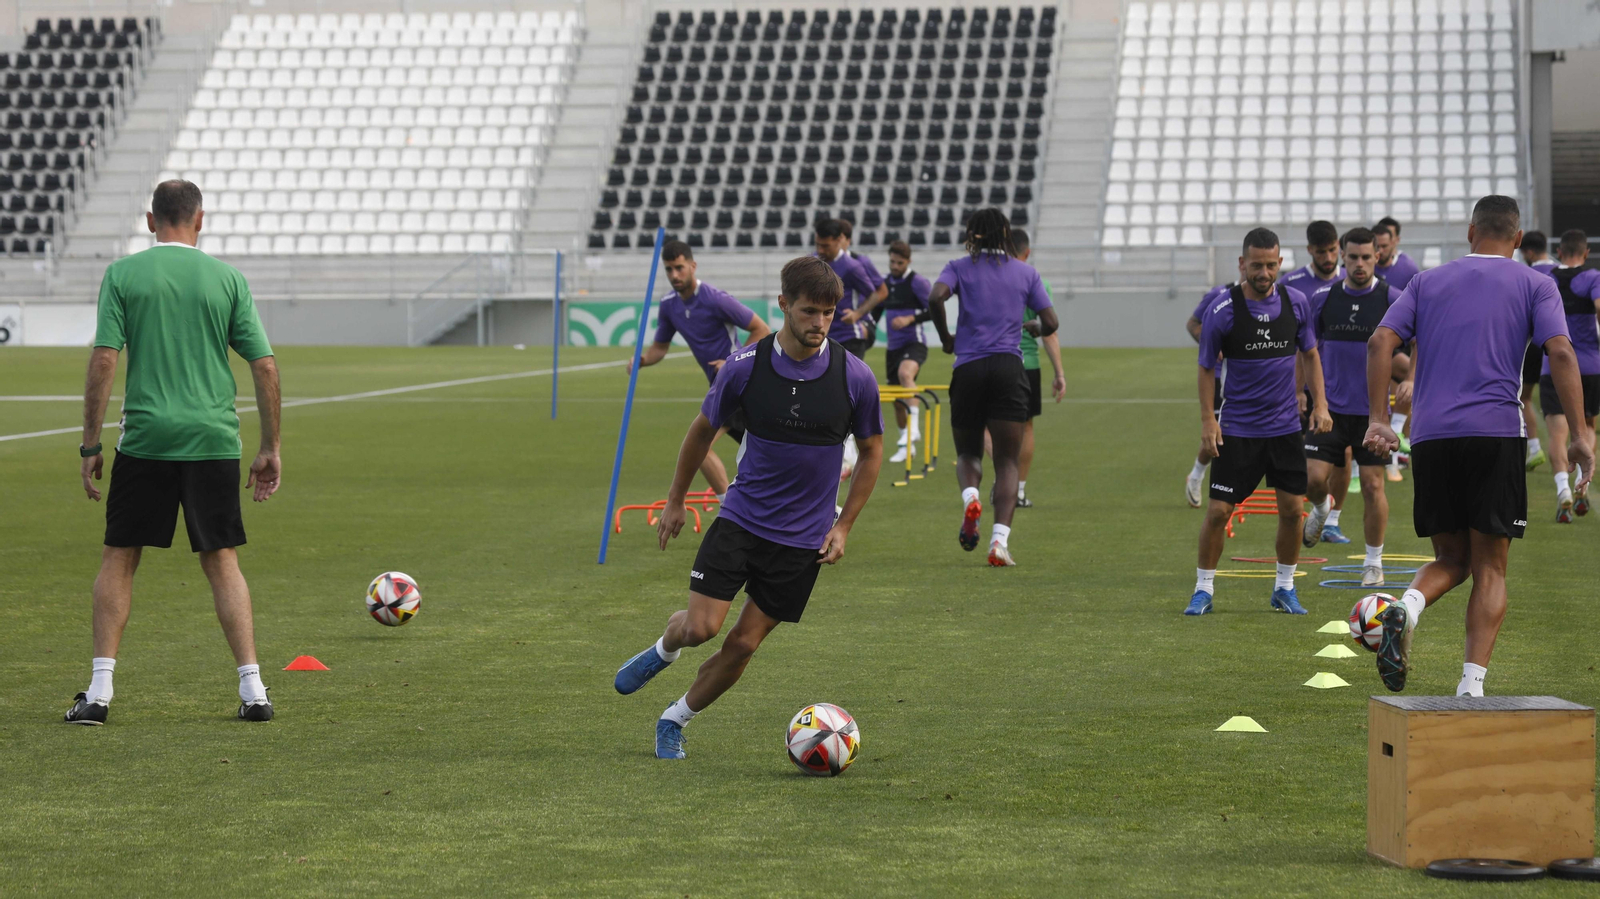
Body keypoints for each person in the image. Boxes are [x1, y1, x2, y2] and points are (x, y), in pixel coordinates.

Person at [612, 256, 883, 760]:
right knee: (702, 628)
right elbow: (700, 433)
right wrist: (674, 500)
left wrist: (844, 527)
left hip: (803, 542)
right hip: (742, 520)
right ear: (783, 305)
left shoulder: (856, 377)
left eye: (828, 312)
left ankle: (674, 719)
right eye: (808, 311)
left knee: (741, 645)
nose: (820, 323)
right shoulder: (745, 368)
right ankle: (663, 650)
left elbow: (871, 454)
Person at [68, 180, 282, 725]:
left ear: (150, 220)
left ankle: (98, 696)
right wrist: (270, 447)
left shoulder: (123, 275)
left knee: (120, 556)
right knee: (222, 559)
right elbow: (263, 365)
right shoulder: (227, 278)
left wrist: (91, 443)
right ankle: (254, 691)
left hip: (147, 440)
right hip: (213, 440)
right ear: (200, 220)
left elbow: (103, 361)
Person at [1363, 195, 1595, 697]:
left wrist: (1381, 421)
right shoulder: (1536, 282)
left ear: (1471, 233)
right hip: (1495, 434)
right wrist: (1579, 434)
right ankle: (1471, 686)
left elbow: (1381, 342)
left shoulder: (1427, 281)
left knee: (1452, 558)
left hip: (1430, 437)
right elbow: (1559, 350)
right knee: (1490, 565)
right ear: (1516, 239)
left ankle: (1404, 607)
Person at [1188, 227, 1331, 617]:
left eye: (1271, 265)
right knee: (1218, 512)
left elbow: (1312, 355)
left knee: (1290, 510)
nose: (1264, 272)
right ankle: (1203, 589)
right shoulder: (1223, 309)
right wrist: (1208, 420)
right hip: (1237, 430)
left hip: (1285, 429)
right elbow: (1205, 369)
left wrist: (1320, 404)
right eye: (1256, 265)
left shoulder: (1297, 303)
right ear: (1242, 264)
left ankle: (1284, 587)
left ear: (1280, 263)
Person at [923, 208, 1058, 566]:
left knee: (968, 453)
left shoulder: (958, 267)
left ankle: (971, 499)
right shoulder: (1026, 272)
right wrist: (1032, 327)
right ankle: (998, 542)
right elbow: (1051, 321)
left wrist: (946, 338)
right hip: (1009, 368)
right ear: (1005, 234)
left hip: (968, 367)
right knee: (1007, 460)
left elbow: (936, 297)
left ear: (972, 234)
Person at [1301, 228, 1407, 587]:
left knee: (1374, 486)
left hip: (1372, 415)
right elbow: (1307, 349)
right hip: (1328, 410)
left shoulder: (1392, 298)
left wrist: (1410, 379)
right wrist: (1307, 394)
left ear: (1377, 256)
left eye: (1366, 257)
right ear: (1341, 258)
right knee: (1314, 481)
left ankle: (1373, 562)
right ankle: (1321, 509)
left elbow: (1421, 337)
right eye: (1352, 257)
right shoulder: (1322, 298)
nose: (1359, 264)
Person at [627, 240, 772, 501]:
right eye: (669, 269)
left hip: (738, 384)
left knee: (700, 446)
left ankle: (728, 508)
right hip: (721, 386)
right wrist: (643, 360)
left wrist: (731, 362)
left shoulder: (716, 299)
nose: (674, 275)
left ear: (693, 266)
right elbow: (660, 347)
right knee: (767, 458)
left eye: (680, 268)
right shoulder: (669, 305)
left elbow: (761, 329)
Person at [814, 218, 887, 478]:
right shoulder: (815, 261)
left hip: (849, 336)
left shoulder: (853, 266)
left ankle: (849, 455)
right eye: (818, 244)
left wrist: (858, 314)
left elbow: (876, 294)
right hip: (822, 336)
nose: (821, 249)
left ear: (839, 241)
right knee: (825, 391)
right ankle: (846, 453)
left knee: (843, 392)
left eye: (825, 245)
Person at [1541, 229, 1600, 522]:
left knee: (1557, 430)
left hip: (1552, 364)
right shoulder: (1592, 278)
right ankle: (1582, 484)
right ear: (1585, 252)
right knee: (1587, 423)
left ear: (1560, 252)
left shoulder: (1546, 279)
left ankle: (1563, 488)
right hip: (1589, 365)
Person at [1011, 229, 1066, 507]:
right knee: (1026, 428)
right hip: (1028, 364)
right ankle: (1017, 490)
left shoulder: (995, 281)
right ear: (1027, 252)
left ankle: (1003, 478)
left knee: (986, 423)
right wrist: (1059, 374)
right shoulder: (1037, 282)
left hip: (995, 360)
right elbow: (1049, 332)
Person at [881, 240, 933, 463]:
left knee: (905, 375)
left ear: (908, 261)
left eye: (899, 263)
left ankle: (914, 428)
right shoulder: (885, 284)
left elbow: (934, 309)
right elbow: (875, 312)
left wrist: (910, 318)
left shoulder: (917, 282)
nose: (895, 266)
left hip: (914, 342)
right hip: (893, 347)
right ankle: (906, 443)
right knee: (896, 399)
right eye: (892, 261)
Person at [1184, 281, 1233, 507]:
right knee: (1217, 435)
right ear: (1242, 263)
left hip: (1247, 381)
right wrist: (1210, 343)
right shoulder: (1220, 295)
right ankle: (1196, 476)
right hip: (1216, 378)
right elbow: (1193, 323)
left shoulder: (1271, 296)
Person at [1519, 230, 1555, 471]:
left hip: (1531, 344)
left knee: (1525, 398)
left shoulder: (1526, 274)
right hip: (1559, 342)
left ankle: (1534, 448)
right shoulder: (1562, 271)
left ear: (1529, 252)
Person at [1279, 220, 1344, 298]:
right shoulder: (1289, 284)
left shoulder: (1351, 279)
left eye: (1332, 250)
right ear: (1309, 249)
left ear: (1338, 244)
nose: (1328, 258)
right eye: (1321, 252)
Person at [1371, 218, 1421, 291]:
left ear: (1394, 241)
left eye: (1384, 246)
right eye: (1377, 246)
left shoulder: (1408, 269)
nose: (1380, 250)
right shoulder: (1362, 267)